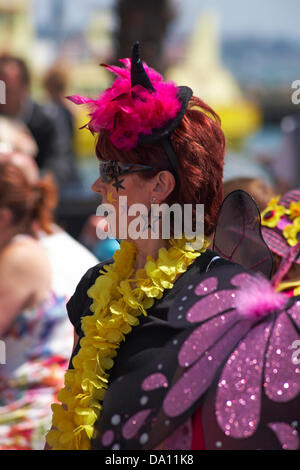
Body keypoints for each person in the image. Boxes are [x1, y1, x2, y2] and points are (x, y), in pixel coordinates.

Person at [45, 43, 300, 451]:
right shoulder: (94, 288)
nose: (97, 185)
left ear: (161, 186)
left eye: (112, 172)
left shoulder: (226, 294)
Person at [0, 55, 76, 188]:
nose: (3, 96)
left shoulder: (49, 120)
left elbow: (60, 168)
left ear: (25, 87)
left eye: (8, 91)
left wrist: (26, 179)